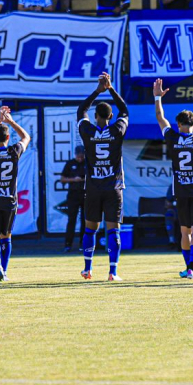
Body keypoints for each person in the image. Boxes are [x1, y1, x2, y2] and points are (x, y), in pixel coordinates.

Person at [153, 79, 193, 280]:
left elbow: (160, 118)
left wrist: (157, 98)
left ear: (178, 124)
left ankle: (187, 267)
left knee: (184, 231)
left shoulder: (172, 137)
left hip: (181, 190)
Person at [77, 72, 129, 281]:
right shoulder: (117, 130)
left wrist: (97, 92)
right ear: (110, 117)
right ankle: (112, 272)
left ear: (96, 116)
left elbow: (81, 110)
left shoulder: (87, 131)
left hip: (93, 188)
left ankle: (88, 269)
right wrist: (111, 90)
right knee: (113, 230)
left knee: (90, 229)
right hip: (114, 186)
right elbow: (124, 110)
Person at [0, 106, 31, 283]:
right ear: (8, 137)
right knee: (6, 237)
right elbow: (26, 137)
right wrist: (11, 121)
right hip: (9, 201)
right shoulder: (14, 151)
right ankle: (5, 270)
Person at [60, 146, 87, 252]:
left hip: (85, 194)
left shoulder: (88, 163)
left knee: (85, 220)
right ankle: (68, 244)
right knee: (72, 220)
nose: (80, 158)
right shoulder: (70, 164)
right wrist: (74, 180)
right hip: (73, 195)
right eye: (78, 156)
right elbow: (62, 179)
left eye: (82, 156)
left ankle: (83, 243)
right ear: (75, 154)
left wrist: (84, 179)